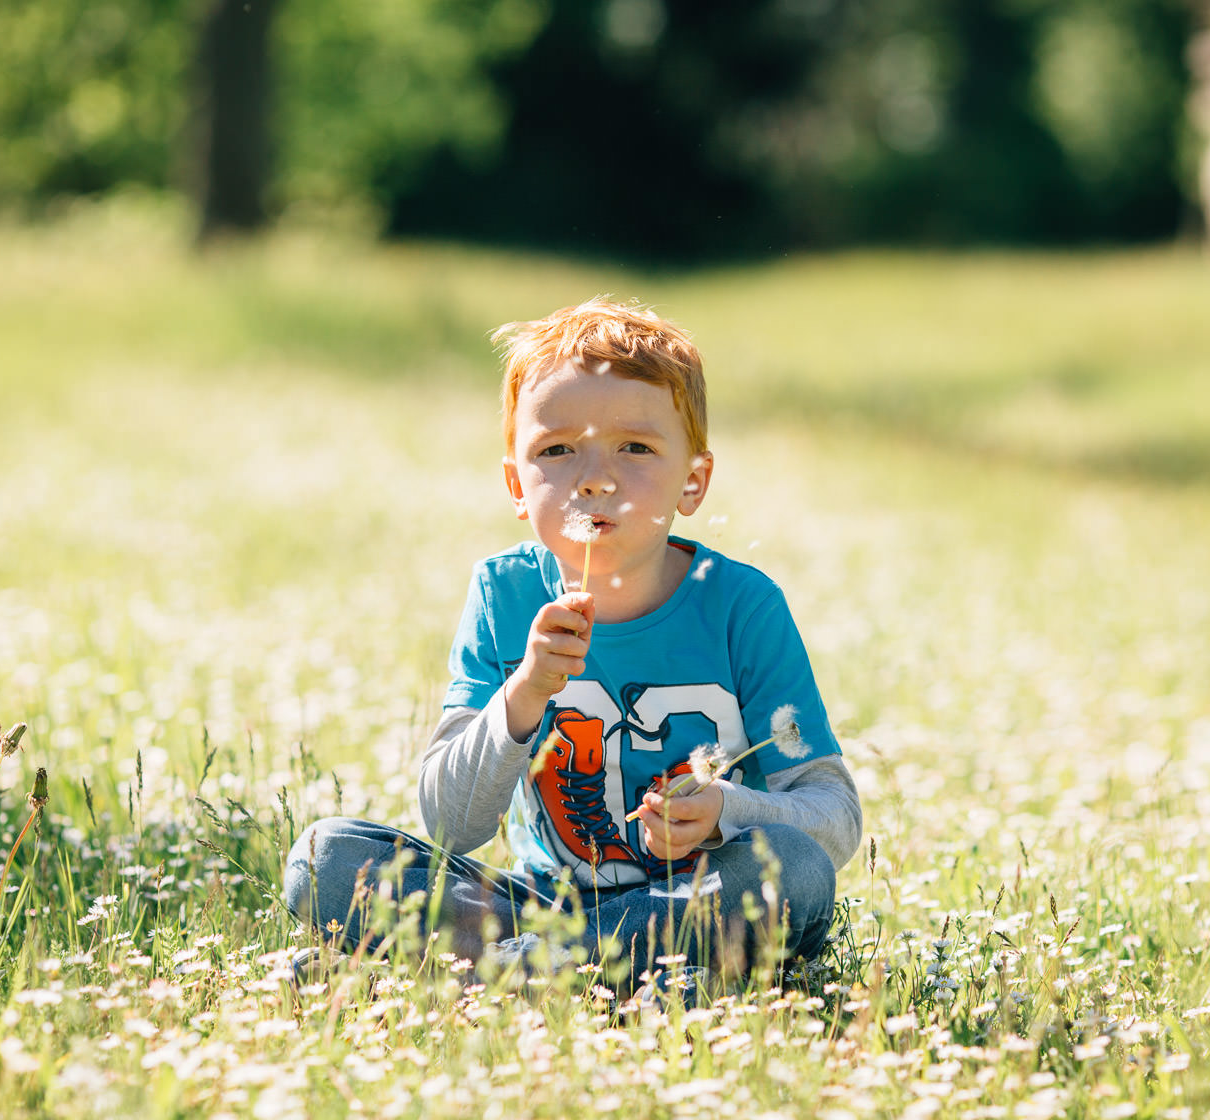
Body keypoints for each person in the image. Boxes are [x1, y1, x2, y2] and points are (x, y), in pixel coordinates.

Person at [283, 299, 862, 994]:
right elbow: (451, 825)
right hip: (540, 908)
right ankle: (586, 975)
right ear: (516, 485)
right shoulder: (504, 596)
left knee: (792, 868)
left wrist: (726, 813)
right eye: (557, 450)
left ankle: (489, 977)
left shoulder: (741, 605)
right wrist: (523, 693)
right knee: (326, 856)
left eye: (636, 447)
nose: (594, 477)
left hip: (698, 897)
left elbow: (833, 819)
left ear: (694, 481)